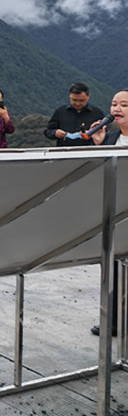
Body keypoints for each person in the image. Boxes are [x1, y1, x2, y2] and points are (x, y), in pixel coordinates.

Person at [89, 89, 128, 337]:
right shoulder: (110, 138)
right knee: (113, 265)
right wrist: (99, 144)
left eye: (124, 105)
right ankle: (112, 320)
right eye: (114, 104)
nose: (117, 109)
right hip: (115, 210)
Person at [44, 82, 105, 147]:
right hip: (64, 150)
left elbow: (104, 134)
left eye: (81, 101)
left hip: (88, 150)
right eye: (74, 100)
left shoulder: (97, 113)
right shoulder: (60, 112)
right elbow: (48, 132)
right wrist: (55, 133)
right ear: (70, 96)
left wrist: (91, 135)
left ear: (88, 96)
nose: (77, 103)